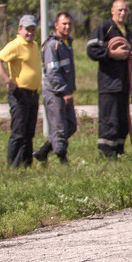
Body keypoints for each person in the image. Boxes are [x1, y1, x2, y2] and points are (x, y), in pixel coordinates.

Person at [87, 0, 132, 158]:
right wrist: (111, 54)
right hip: (109, 83)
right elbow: (92, 50)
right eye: (120, 10)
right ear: (112, 11)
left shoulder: (127, 32)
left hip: (123, 82)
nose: (123, 13)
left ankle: (119, 149)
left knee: (122, 119)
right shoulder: (104, 28)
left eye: (125, 10)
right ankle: (107, 152)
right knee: (109, 118)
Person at [0, 15, 42, 167]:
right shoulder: (15, 45)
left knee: (29, 132)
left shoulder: (34, 45)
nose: (30, 33)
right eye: (27, 29)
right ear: (20, 29)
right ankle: (13, 165)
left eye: (33, 29)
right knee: (18, 131)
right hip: (20, 94)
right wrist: (7, 80)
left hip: (33, 94)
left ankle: (26, 163)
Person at [33, 12, 77, 164]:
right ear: (56, 25)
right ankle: (62, 159)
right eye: (64, 24)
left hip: (66, 91)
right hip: (55, 93)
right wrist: (63, 91)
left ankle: (43, 151)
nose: (67, 27)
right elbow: (53, 72)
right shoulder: (52, 45)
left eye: (69, 24)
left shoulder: (67, 43)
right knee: (59, 127)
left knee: (71, 125)